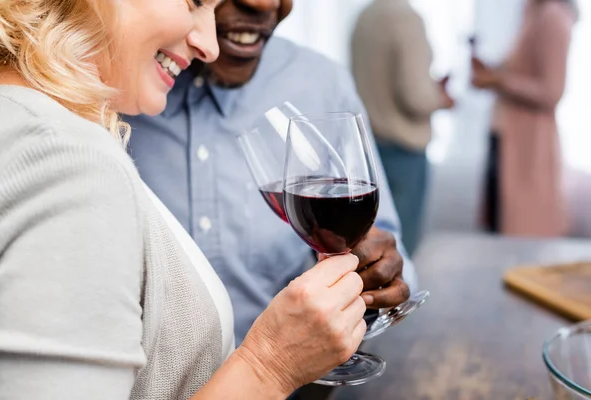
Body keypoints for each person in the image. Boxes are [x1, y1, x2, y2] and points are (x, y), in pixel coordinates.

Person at [0, 0, 370, 398]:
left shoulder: (21, 120)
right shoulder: (69, 160)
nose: (209, 45)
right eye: (194, 2)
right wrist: (269, 365)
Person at [124, 0, 415, 348]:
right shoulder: (104, 86)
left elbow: (390, 252)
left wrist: (374, 272)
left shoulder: (321, 83)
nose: (264, 3)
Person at [351, 0, 455, 256]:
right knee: (399, 251)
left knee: (369, 248)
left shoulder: (365, 16)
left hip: (369, 148)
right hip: (403, 152)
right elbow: (415, 97)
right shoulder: (406, 19)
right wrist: (441, 98)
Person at [472, 0, 577, 236]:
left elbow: (552, 91)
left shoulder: (553, 17)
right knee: (498, 225)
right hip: (506, 135)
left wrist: (500, 81)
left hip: (528, 145)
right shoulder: (532, 11)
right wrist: (495, 74)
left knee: (522, 230)